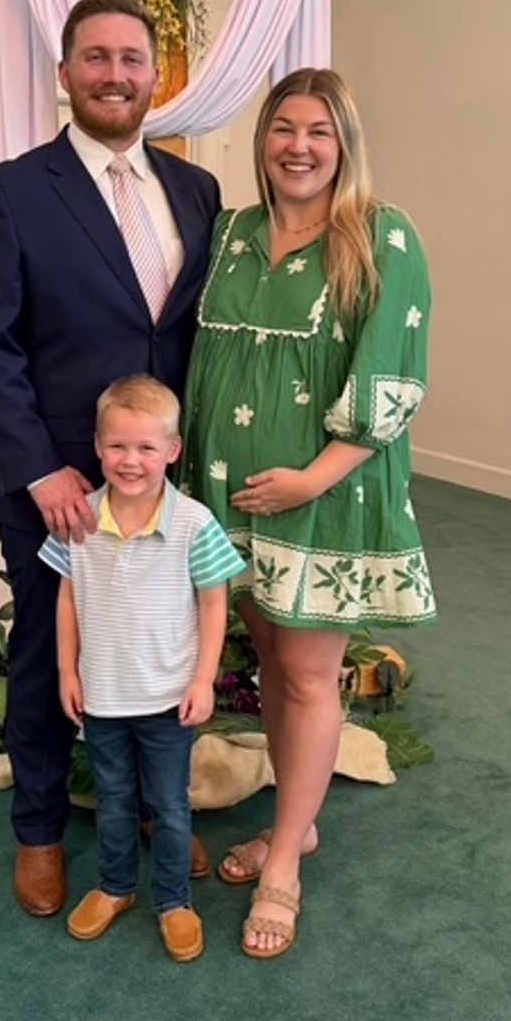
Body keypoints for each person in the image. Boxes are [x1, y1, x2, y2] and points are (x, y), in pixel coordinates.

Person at [0, 0, 221, 917]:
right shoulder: (11, 192)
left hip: (164, 483)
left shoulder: (196, 192)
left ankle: (153, 810)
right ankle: (38, 830)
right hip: (61, 482)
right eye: (96, 58)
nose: (115, 74)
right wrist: (38, 468)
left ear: (155, 77)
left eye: (132, 59)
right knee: (46, 649)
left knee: (161, 645)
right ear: (64, 73)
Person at [181, 67, 436, 959]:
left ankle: (284, 859)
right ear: (262, 142)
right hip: (226, 492)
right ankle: (303, 816)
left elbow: (391, 383)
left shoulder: (383, 236)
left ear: (344, 144)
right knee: (273, 661)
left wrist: (309, 480)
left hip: (321, 497)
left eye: (319, 131)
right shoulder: (230, 233)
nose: (298, 146)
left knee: (307, 675)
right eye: (283, 128)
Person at [39, 376, 245, 961]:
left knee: (171, 807)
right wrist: (67, 672)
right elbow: (66, 598)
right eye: (118, 446)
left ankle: (175, 901)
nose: (131, 461)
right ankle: (116, 887)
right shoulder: (79, 518)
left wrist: (203, 679)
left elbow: (214, 603)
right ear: (97, 446)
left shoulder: (194, 524)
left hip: (168, 699)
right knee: (114, 800)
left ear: (172, 451)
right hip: (103, 697)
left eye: (147, 447)